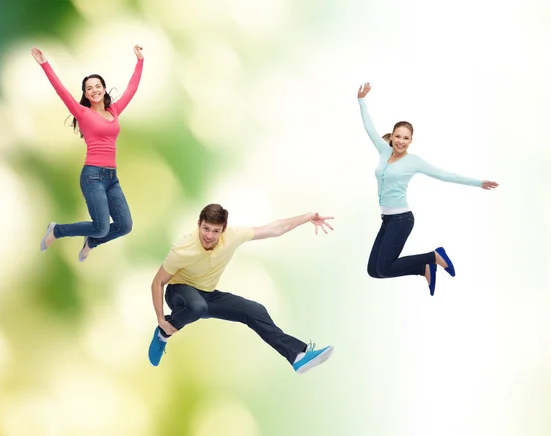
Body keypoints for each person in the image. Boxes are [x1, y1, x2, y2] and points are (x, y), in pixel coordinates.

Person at [148, 204, 335, 374]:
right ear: (199, 224)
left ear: (224, 230)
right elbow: (158, 283)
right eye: (205, 229)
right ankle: (163, 334)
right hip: (179, 292)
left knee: (255, 311)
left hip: (208, 295)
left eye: (216, 231)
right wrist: (161, 319)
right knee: (197, 307)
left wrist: (307, 217)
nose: (209, 236)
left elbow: (274, 229)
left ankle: (297, 356)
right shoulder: (183, 248)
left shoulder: (233, 236)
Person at [357, 82, 499, 295]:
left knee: (384, 267)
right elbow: (369, 128)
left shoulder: (414, 162)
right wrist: (361, 100)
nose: (400, 141)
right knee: (374, 271)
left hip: (401, 220)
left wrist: (479, 183)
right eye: (397, 136)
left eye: (406, 138)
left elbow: (444, 175)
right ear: (392, 136)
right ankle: (423, 268)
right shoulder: (384, 152)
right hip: (387, 220)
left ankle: (433, 256)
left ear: (411, 140)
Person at [31, 44, 144, 262]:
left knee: (124, 226)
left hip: (112, 178)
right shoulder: (82, 113)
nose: (94, 90)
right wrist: (45, 64)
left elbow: (132, 89)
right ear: (85, 93)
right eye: (89, 88)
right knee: (101, 227)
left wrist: (140, 61)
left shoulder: (114, 111)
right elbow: (61, 91)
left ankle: (91, 242)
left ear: (103, 88)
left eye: (98, 86)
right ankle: (57, 230)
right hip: (92, 176)